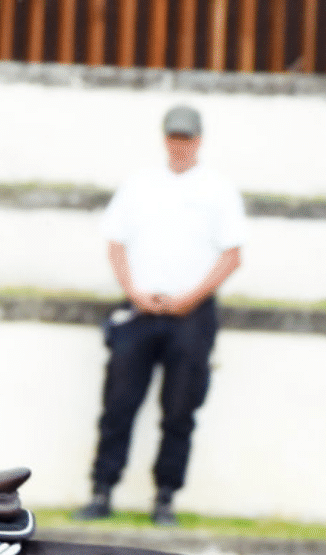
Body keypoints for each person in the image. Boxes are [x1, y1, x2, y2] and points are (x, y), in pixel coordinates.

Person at [78, 105, 246, 527]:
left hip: (191, 313)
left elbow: (232, 254)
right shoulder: (139, 185)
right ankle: (102, 490)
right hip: (140, 308)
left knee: (180, 408)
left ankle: (165, 496)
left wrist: (191, 298)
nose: (180, 145)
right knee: (118, 402)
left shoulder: (218, 190)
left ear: (199, 140)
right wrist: (133, 291)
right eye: (174, 137)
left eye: (187, 138)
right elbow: (115, 243)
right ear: (164, 138)